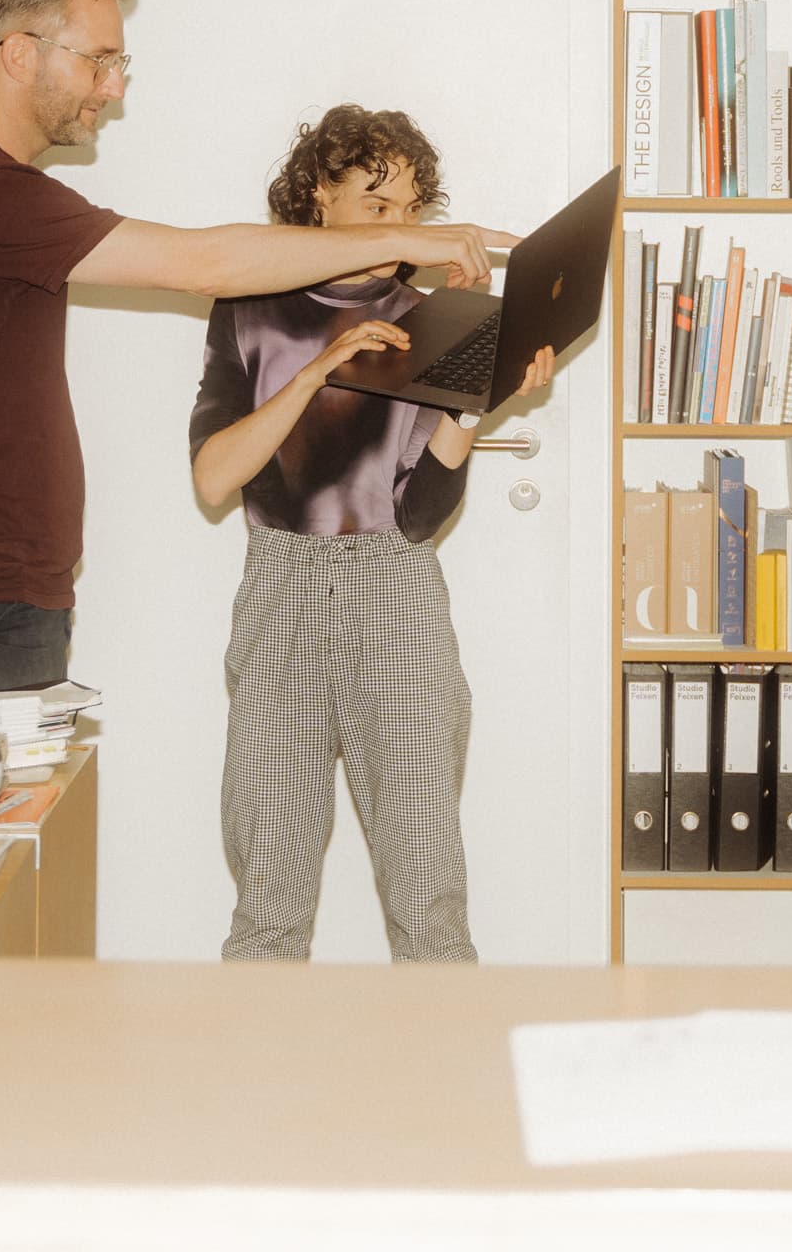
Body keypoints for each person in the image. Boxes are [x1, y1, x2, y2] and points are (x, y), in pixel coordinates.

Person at [0, 0, 513, 694]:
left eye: (119, 66)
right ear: (17, 53)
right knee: (7, 814)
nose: (112, 88)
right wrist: (407, 239)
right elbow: (207, 266)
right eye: (98, 61)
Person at [189, 108, 553, 962]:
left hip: (396, 591)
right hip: (279, 591)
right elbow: (214, 477)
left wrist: (477, 398)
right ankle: (255, 1091)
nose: (398, 228)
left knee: (427, 900)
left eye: (412, 210)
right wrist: (319, 370)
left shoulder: (437, 317)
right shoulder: (248, 308)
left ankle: (448, 1091)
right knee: (269, 905)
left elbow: (420, 515)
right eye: (376, 204)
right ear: (319, 196)